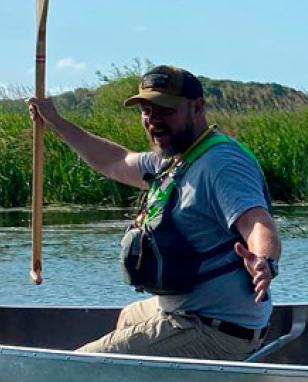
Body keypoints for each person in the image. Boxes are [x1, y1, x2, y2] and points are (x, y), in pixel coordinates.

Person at [27, 65, 282, 361]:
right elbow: (115, 160)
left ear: (197, 107)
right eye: (147, 111)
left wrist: (264, 261)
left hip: (215, 327)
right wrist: (55, 121)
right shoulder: (176, 161)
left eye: (165, 110)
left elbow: (257, 223)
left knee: (77, 365)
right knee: (129, 316)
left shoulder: (221, 164)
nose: (153, 120)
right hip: (187, 310)